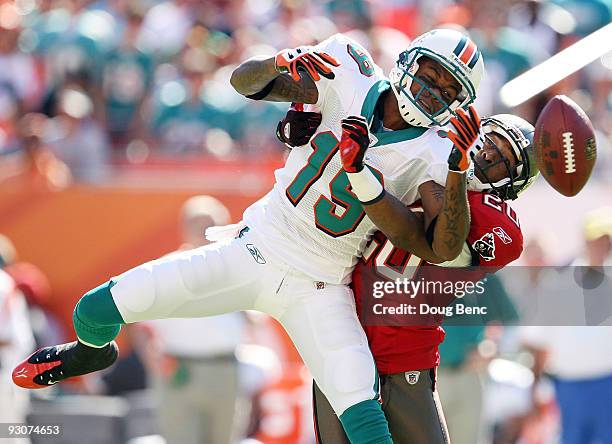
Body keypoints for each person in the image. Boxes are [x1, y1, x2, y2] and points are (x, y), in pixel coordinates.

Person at [13, 29, 483, 444]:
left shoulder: (438, 150)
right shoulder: (350, 67)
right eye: (432, 74)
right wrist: (280, 63)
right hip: (255, 246)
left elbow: (434, 245)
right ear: (409, 61)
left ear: (459, 104)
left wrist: (455, 170)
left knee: (365, 420)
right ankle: (94, 352)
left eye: (448, 89)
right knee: (92, 311)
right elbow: (246, 83)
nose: (433, 91)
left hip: (321, 283)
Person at [277, 109, 539, 443]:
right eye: (489, 140)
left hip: (405, 354)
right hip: (342, 336)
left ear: (512, 180)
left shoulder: (498, 223)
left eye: (503, 157)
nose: (487, 153)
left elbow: (446, 248)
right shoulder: (420, 161)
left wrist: (448, 174)